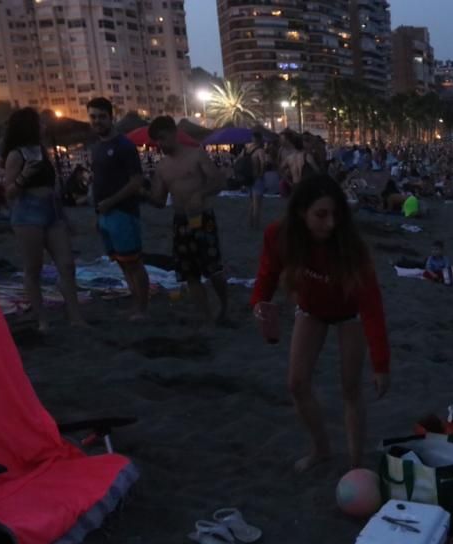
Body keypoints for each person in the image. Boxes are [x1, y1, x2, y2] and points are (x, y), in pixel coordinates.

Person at [249, 174, 390, 472]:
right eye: (321, 215)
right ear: (301, 212)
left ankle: (355, 465)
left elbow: (372, 308)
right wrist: (259, 304)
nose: (330, 223)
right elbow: (267, 274)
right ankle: (321, 449)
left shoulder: (351, 247)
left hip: (349, 313)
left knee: (350, 388)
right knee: (297, 384)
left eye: (335, 214)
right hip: (311, 309)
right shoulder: (280, 235)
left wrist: (381, 364)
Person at [2, 107, 85, 330]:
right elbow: (8, 192)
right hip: (27, 212)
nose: (43, 126)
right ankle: (42, 320)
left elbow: (53, 185)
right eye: (38, 123)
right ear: (29, 127)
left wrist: (65, 217)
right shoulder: (15, 155)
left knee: (67, 264)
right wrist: (23, 177)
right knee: (34, 267)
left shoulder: (42, 150)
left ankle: (76, 317)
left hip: (52, 210)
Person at [145, 116, 229, 325]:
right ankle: (206, 316)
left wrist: (201, 193)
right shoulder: (162, 167)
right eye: (157, 141)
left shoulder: (196, 155)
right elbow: (159, 200)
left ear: (174, 133)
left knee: (213, 269)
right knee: (189, 272)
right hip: (181, 220)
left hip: (202, 218)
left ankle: (224, 306)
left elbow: (218, 181)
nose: (160, 144)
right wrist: (141, 192)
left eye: (163, 138)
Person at [87, 97, 150, 320]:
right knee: (122, 263)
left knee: (133, 262)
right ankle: (135, 304)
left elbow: (136, 182)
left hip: (123, 212)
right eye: (93, 116)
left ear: (111, 117)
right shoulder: (96, 147)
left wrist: (111, 202)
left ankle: (142, 308)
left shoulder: (124, 146)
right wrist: (98, 213)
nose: (97, 121)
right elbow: (98, 181)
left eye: (101, 117)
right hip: (105, 214)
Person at [248, 131, 266, 230]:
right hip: (257, 178)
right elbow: (263, 163)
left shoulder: (247, 148)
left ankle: (250, 223)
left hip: (248, 178)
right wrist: (261, 174)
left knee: (251, 203)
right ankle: (256, 225)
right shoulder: (260, 151)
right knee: (257, 204)